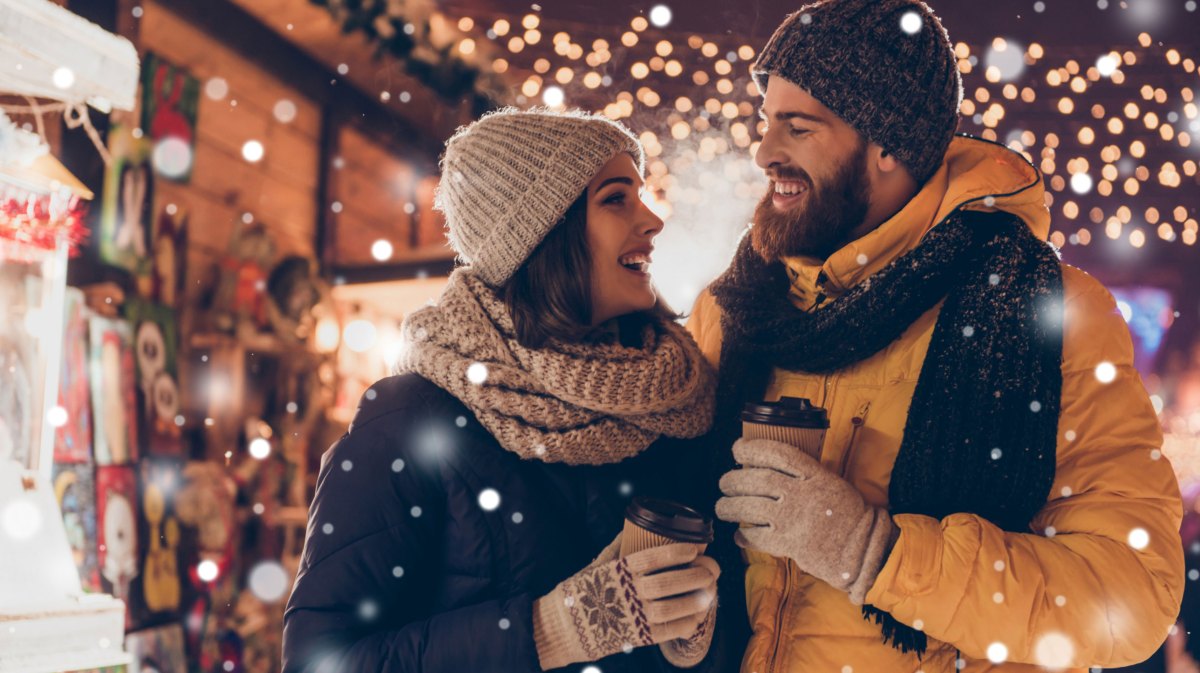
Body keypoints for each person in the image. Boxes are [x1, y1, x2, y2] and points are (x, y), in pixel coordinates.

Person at [687, 0, 1186, 671]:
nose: (764, 151)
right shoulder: (736, 310)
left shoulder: (1045, 313)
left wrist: (878, 554)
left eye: (798, 129)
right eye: (766, 122)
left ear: (887, 143)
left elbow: (1132, 593)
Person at [282, 108, 729, 672]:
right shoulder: (411, 420)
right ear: (543, 235)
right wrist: (549, 631)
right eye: (617, 198)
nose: (652, 220)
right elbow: (319, 662)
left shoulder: (678, 402)